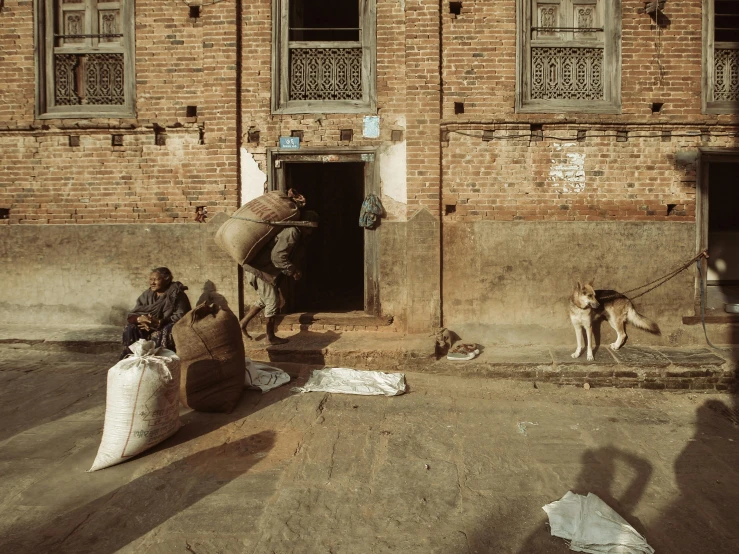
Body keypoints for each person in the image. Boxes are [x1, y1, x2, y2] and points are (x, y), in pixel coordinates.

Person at [240, 200, 319, 345]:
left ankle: (242, 324)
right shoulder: (293, 232)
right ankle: (270, 337)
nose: (311, 232)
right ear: (305, 225)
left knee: (264, 300)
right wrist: (292, 270)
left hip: (258, 268)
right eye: (310, 229)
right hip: (260, 270)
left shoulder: (294, 232)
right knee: (273, 302)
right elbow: (277, 257)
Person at [120, 267, 192, 359]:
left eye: (156, 280)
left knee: (165, 330)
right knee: (130, 327)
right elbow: (132, 314)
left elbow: (182, 316)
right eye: (150, 279)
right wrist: (140, 319)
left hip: (166, 325)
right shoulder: (147, 294)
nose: (152, 283)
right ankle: (131, 357)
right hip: (148, 326)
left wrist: (159, 322)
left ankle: (160, 358)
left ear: (167, 280)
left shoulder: (176, 294)